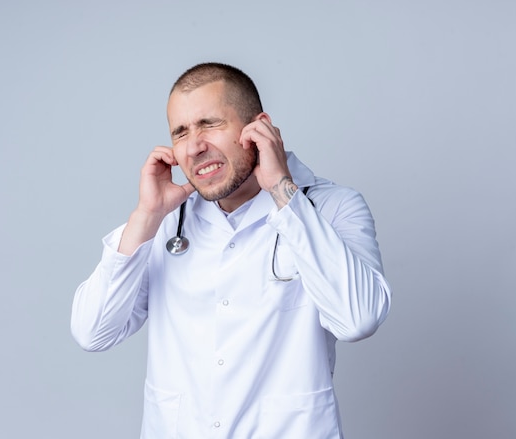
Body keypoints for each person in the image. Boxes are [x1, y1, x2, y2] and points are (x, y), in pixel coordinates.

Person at [71, 62, 392, 439]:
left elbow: (359, 319)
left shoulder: (332, 207)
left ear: (259, 128)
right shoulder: (165, 221)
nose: (194, 146)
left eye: (210, 124)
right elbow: (93, 332)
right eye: (181, 132)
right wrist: (145, 216)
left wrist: (283, 194)